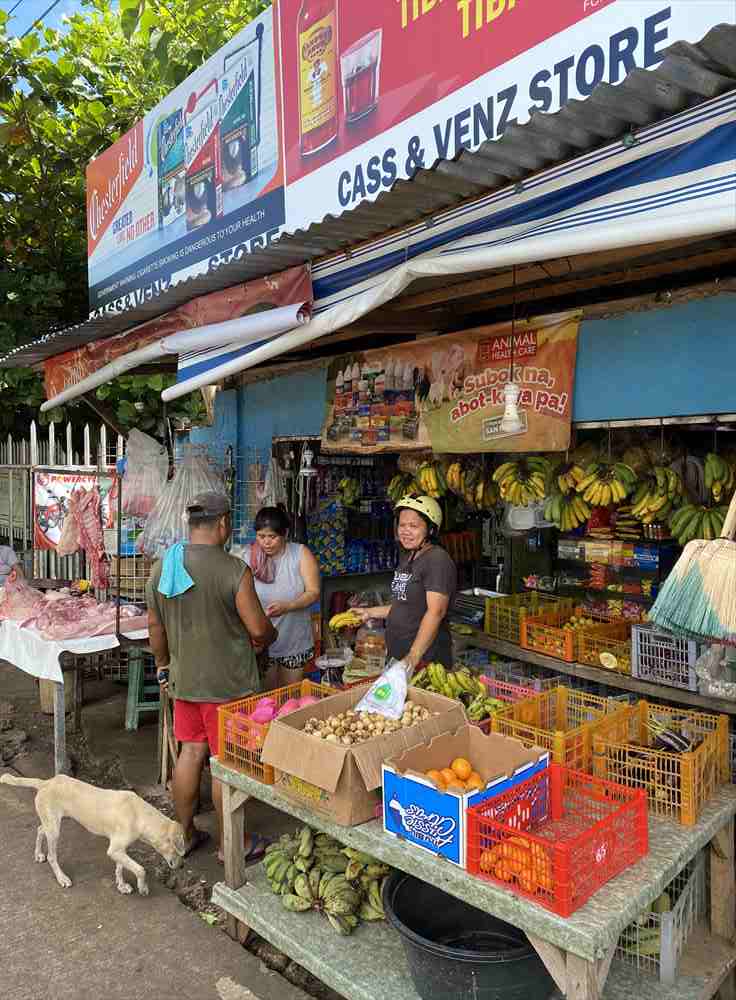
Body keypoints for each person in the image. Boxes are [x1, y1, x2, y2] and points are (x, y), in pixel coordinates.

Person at [146, 492, 277, 863]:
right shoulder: (233, 570)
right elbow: (257, 628)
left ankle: (184, 835)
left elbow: (155, 625)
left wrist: (163, 665)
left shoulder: (164, 567)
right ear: (222, 525)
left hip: (184, 679)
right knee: (226, 762)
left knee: (190, 753)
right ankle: (230, 845)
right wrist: (269, 636)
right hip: (229, 685)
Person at [355, 495, 457, 668]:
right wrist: (369, 612)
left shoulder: (437, 560)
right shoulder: (409, 557)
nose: (405, 531)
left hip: (426, 660)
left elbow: (436, 612)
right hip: (399, 656)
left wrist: (413, 655)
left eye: (413, 526)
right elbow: (406, 605)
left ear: (430, 530)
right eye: (402, 525)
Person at [248, 506, 321, 687]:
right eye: (261, 536)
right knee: (267, 699)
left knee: (290, 697)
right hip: (262, 643)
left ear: (285, 533)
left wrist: (289, 606)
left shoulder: (300, 554)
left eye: (272, 537)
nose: (266, 543)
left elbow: (313, 592)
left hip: (294, 641)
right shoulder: (249, 557)